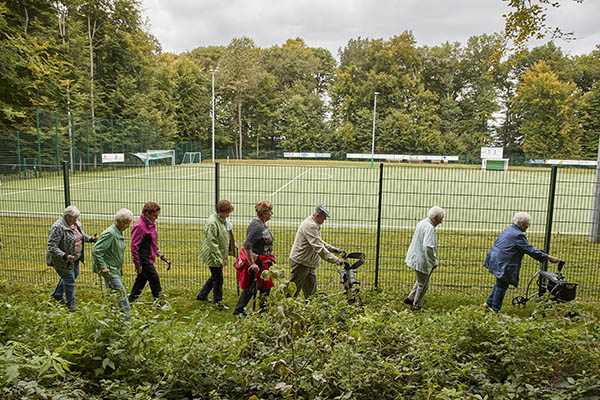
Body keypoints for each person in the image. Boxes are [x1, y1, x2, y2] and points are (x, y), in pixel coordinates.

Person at [483, 212, 560, 312]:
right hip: (504, 262)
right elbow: (530, 250)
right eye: (528, 224)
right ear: (523, 225)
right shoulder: (519, 235)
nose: (528, 227)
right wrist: (549, 257)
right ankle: (495, 309)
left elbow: (527, 248)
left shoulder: (509, 229)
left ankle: (488, 303)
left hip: (495, 258)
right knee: (502, 285)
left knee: (500, 283)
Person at [46, 205, 98, 312]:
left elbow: (80, 235)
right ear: (67, 217)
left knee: (74, 275)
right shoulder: (58, 227)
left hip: (75, 258)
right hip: (63, 260)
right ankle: (71, 305)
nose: (76, 221)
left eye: (76, 219)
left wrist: (91, 239)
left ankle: (57, 294)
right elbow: (52, 246)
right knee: (70, 280)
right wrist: (65, 256)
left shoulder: (76, 224)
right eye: (73, 219)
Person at [289, 204, 344, 298]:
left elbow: (317, 240)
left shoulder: (313, 223)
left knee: (311, 291)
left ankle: (309, 308)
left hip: (308, 263)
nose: (325, 219)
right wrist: (335, 259)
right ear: (317, 215)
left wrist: (331, 248)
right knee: (293, 290)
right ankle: (286, 308)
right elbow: (318, 247)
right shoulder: (310, 225)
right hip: (301, 263)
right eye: (324, 217)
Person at [233, 200, 276, 316]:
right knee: (258, 286)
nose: (272, 213)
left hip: (263, 260)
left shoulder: (261, 224)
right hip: (258, 261)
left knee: (261, 286)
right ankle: (255, 311)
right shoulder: (257, 227)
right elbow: (247, 245)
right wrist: (252, 263)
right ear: (263, 213)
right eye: (269, 211)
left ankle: (257, 310)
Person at [92, 208, 135, 314]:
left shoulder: (119, 232)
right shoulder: (110, 233)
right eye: (127, 224)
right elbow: (96, 250)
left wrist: (120, 268)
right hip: (109, 269)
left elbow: (116, 252)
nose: (128, 226)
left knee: (111, 293)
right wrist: (103, 267)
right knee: (120, 292)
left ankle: (106, 315)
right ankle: (127, 318)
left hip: (115, 268)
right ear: (120, 222)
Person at [403, 206, 445, 312]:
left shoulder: (422, 223)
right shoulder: (429, 228)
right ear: (435, 218)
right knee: (424, 284)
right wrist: (433, 261)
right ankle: (416, 306)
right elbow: (428, 246)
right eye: (440, 220)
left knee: (421, 279)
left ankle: (410, 298)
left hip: (414, 255)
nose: (440, 222)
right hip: (420, 258)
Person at [128, 202, 171, 304]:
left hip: (148, 256)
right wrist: (138, 264)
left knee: (141, 280)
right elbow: (134, 246)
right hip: (143, 258)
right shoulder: (140, 226)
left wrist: (157, 252)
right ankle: (160, 303)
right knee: (154, 278)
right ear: (147, 213)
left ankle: (130, 301)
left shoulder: (151, 224)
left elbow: (151, 241)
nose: (156, 218)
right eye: (155, 215)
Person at [197, 200, 234, 310]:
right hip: (213, 255)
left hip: (217, 254)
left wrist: (232, 244)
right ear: (221, 212)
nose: (228, 215)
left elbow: (223, 234)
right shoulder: (213, 223)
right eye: (227, 213)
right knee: (218, 279)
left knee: (215, 276)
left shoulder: (221, 220)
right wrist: (219, 260)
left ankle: (202, 295)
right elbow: (212, 244)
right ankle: (218, 303)